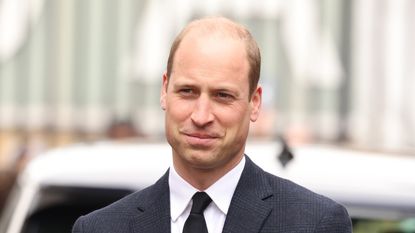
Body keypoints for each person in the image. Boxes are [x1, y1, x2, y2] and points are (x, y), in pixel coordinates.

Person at [72, 17, 352, 233]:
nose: (201, 116)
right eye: (187, 92)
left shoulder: (314, 224)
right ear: (164, 90)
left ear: (255, 103)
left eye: (222, 96)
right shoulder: (101, 228)